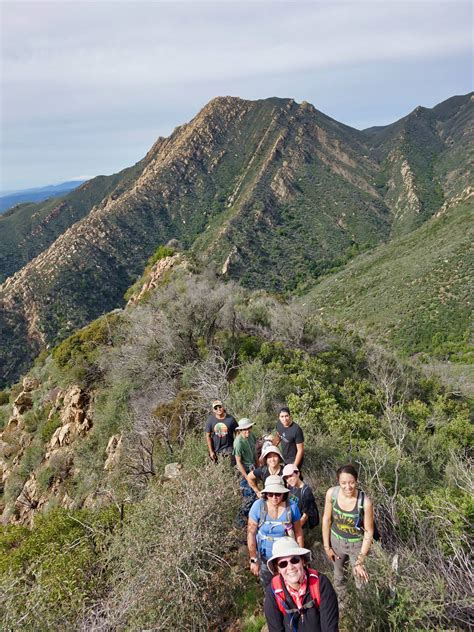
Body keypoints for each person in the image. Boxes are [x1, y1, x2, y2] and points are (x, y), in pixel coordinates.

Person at [322, 464, 374, 601]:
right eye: (343, 483)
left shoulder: (365, 502)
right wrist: (327, 547)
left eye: (351, 482)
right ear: (338, 482)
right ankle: (342, 606)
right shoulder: (332, 494)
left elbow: (369, 531)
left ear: (356, 481)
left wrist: (360, 560)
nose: (348, 487)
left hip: (356, 545)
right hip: (336, 542)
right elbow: (326, 519)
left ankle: (363, 612)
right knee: (339, 577)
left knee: (361, 580)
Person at [264, 537, 339, 631]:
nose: (290, 567)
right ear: (278, 569)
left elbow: (330, 628)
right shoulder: (274, 593)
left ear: (302, 561)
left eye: (294, 560)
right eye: (283, 564)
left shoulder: (321, 584)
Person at [247, 475, 304, 588]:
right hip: (264, 556)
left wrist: (300, 558)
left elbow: (298, 532)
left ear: (283, 493)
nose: (274, 497)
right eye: (270, 494)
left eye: (278, 494)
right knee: (268, 585)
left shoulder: (292, 507)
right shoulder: (258, 506)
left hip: (285, 557)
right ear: (265, 494)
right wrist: (253, 559)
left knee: (288, 585)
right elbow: (251, 533)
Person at [233, 418, 258, 525]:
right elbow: (238, 462)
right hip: (245, 470)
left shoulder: (252, 436)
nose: (247, 431)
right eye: (244, 430)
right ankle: (240, 521)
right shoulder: (238, 443)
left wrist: (258, 465)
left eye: (248, 429)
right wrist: (246, 476)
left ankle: (251, 518)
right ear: (240, 430)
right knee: (248, 495)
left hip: (253, 467)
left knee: (254, 493)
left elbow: (255, 451)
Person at [282, 464, 319, 536]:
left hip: (302, 527)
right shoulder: (291, 487)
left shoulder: (306, 491)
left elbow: (305, 516)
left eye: (291, 476)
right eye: (286, 478)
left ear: (298, 473)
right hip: (292, 523)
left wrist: (295, 529)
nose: (289, 479)